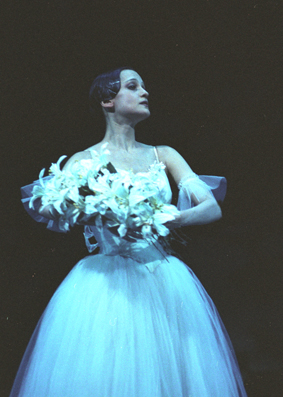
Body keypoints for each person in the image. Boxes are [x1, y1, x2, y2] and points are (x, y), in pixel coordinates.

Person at [11, 67, 247, 396]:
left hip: (160, 277)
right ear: (108, 100)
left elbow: (211, 207)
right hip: (103, 286)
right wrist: (88, 208)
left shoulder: (162, 155)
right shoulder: (83, 161)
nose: (144, 93)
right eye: (133, 87)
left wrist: (171, 219)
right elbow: (51, 208)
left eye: (144, 87)